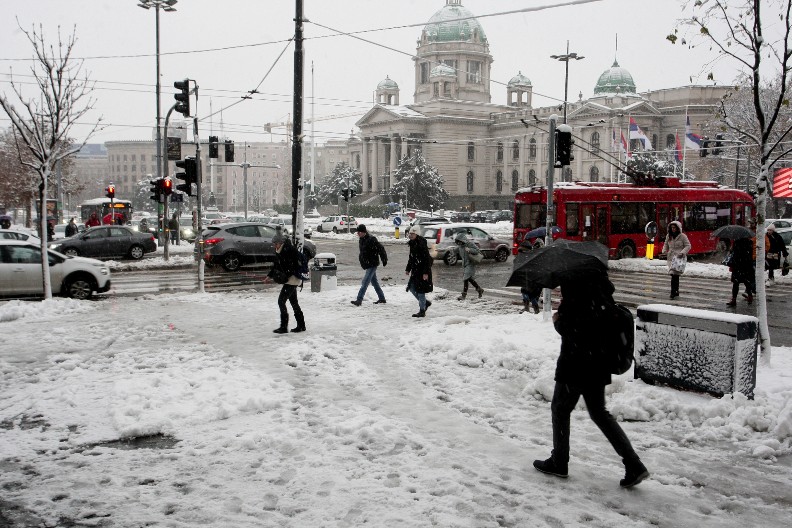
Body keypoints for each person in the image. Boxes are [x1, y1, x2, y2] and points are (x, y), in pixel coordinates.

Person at [533, 273, 650, 488]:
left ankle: (559, 461)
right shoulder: (602, 293)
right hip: (598, 364)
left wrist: (558, 321)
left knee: (560, 409)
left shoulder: (576, 291)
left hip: (575, 364)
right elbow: (596, 327)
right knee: (599, 413)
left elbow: (574, 330)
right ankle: (633, 464)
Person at [264, 234, 306, 334]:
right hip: (290, 279)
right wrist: (269, 276)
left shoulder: (289, 250)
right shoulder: (280, 251)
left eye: (275, 244)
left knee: (281, 301)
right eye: (273, 244)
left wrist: (284, 276)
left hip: (293, 279)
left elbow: (292, 266)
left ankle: (284, 327)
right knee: (294, 302)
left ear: (280, 243)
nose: (274, 246)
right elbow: (276, 266)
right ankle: (301, 325)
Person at [351, 224, 387, 306]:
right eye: (358, 232)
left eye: (360, 232)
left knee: (365, 282)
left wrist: (384, 259)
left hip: (372, 263)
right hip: (367, 264)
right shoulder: (361, 239)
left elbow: (381, 248)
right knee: (375, 283)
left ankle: (359, 300)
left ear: (364, 232)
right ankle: (382, 298)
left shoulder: (371, 239)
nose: (358, 233)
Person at [405, 226, 433, 318]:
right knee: (412, 288)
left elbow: (426, 259)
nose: (410, 235)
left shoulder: (421, 244)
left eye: (412, 234)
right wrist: (408, 269)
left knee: (421, 291)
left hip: (422, 271)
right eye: (410, 234)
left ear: (417, 234)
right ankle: (426, 303)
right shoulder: (412, 244)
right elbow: (411, 258)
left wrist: (425, 273)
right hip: (415, 270)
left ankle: (422, 311)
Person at [662, 221, 691, 299]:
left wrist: (682, 252)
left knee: (675, 275)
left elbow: (688, 246)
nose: (673, 229)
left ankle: (673, 292)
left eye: (674, 227)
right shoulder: (669, 236)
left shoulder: (683, 236)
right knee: (673, 275)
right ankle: (676, 291)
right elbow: (665, 244)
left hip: (679, 258)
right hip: (671, 258)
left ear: (678, 228)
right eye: (672, 228)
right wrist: (664, 250)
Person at [453, 232, 484, 300]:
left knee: (466, 278)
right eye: (457, 242)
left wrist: (470, 250)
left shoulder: (470, 244)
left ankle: (464, 295)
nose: (459, 244)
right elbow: (455, 250)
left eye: (460, 242)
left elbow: (477, 251)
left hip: (471, 263)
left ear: (462, 240)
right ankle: (479, 289)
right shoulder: (460, 246)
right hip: (465, 264)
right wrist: (451, 250)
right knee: (469, 279)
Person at [727, 237, 755, 306]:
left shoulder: (737, 242)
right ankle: (750, 296)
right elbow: (750, 254)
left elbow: (735, 254)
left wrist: (732, 249)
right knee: (746, 281)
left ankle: (734, 299)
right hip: (747, 266)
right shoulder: (750, 242)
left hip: (738, 266)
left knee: (736, 283)